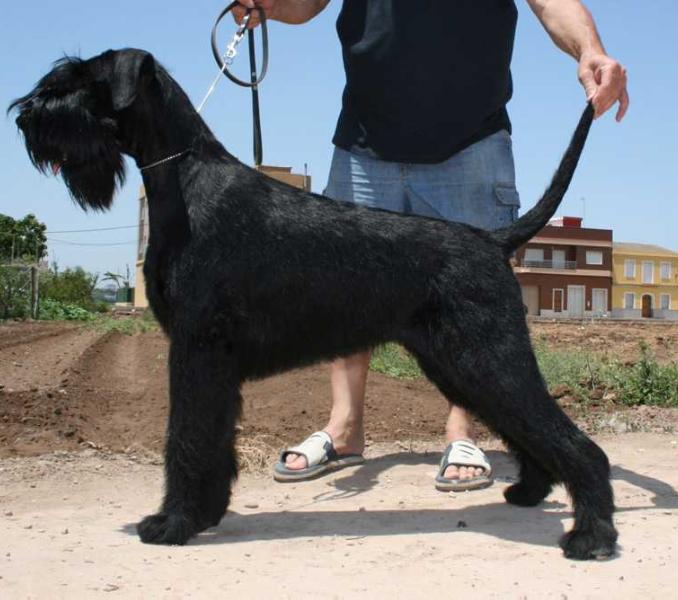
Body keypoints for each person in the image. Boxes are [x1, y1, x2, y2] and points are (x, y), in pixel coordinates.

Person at [234, 0, 628, 490]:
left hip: (469, 145)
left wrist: (589, 49)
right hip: (364, 143)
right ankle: (345, 427)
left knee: (467, 302)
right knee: (341, 294)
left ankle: (461, 432)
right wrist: (267, 6)